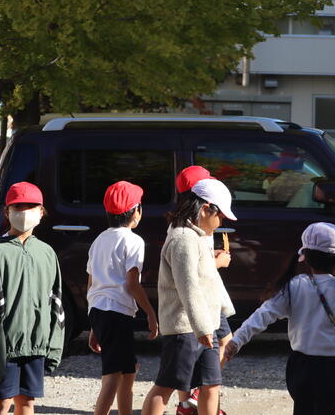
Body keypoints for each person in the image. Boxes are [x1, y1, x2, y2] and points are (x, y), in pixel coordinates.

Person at [224, 222, 335, 415]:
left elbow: (262, 315)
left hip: (299, 366)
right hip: (330, 368)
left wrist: (237, 340)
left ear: (306, 257)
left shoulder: (294, 286)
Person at [141, 178, 236, 415]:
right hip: (185, 327)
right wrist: (202, 327)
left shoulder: (197, 235)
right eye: (220, 216)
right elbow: (188, 287)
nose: (221, 222)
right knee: (166, 386)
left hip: (207, 326)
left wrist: (207, 327)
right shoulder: (183, 238)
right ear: (205, 209)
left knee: (211, 385)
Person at [0, 182, 65, 415]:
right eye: (17, 207)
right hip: (5, 347)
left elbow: (56, 303)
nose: (24, 212)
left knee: (27, 402)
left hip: (35, 345)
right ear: (7, 212)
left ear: (41, 211)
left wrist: (52, 346)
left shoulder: (46, 252)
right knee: (1, 403)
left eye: (30, 206)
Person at [87, 181, 158, 415]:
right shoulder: (133, 241)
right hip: (117, 312)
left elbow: (91, 283)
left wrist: (94, 326)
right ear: (136, 211)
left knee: (129, 371)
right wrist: (150, 313)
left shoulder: (99, 240)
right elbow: (132, 283)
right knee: (113, 375)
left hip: (99, 310)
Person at [172, 166, 234, 415]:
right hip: (205, 301)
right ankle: (196, 396)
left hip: (202, 303)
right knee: (225, 343)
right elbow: (193, 273)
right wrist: (219, 262)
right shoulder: (192, 229)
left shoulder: (182, 223)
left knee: (193, 362)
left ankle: (186, 404)